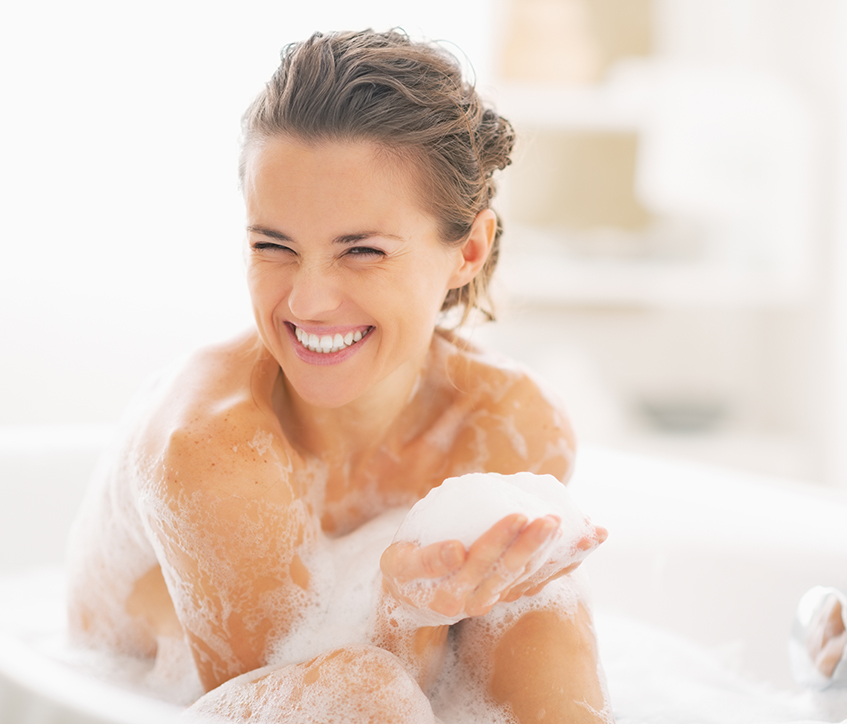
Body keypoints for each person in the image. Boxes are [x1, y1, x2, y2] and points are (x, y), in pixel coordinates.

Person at [66, 29, 611, 723]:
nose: (307, 301)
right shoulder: (211, 452)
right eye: (274, 245)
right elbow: (315, 696)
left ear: (468, 250)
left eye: (361, 251)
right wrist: (402, 609)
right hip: (130, 701)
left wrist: (410, 612)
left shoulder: (509, 427)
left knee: (547, 606)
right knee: (365, 691)